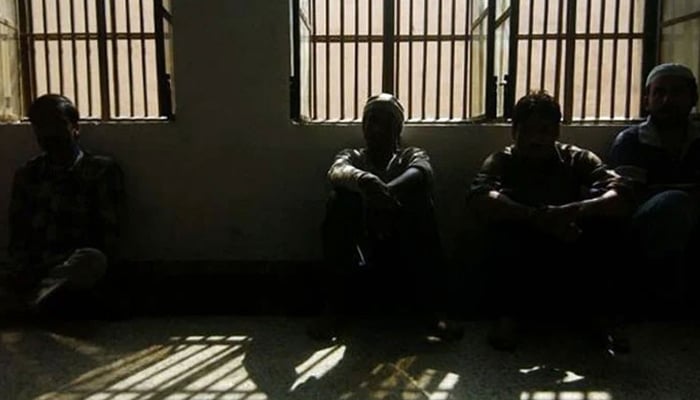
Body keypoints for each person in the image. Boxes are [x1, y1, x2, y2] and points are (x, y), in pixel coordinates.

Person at [469, 90, 634, 352]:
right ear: (514, 132)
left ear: (557, 132)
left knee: (606, 225)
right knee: (501, 227)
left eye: (545, 130)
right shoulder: (502, 160)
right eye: (529, 131)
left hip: (568, 249)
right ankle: (507, 316)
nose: (537, 139)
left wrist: (577, 209)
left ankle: (603, 320)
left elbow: (620, 195)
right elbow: (480, 197)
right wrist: (534, 217)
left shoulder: (577, 158)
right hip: (524, 252)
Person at [310, 93, 461, 341]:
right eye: (370, 120)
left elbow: (423, 171)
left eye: (385, 121)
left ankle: (433, 312)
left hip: (404, 251)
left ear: (398, 128)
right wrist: (365, 181)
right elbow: (337, 171)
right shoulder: (353, 157)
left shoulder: (410, 155)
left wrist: (384, 195)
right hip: (362, 251)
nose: (376, 128)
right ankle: (335, 307)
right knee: (339, 201)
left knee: (419, 199)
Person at [2, 94, 126, 319]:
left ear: (75, 128)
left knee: (93, 260)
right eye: (41, 126)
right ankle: (40, 298)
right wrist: (27, 266)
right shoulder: (28, 175)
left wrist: (58, 263)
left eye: (56, 124)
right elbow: (18, 235)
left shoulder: (100, 171)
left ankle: (34, 299)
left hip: (72, 264)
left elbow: (108, 237)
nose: (50, 133)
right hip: (35, 266)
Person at [609, 63, 700, 313]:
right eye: (659, 93)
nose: (667, 99)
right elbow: (627, 199)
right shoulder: (632, 141)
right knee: (674, 203)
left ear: (694, 98)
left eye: (677, 92)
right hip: (647, 227)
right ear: (647, 99)